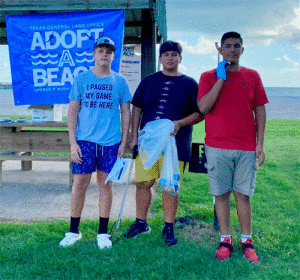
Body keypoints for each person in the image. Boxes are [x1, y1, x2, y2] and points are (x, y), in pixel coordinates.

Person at [122, 41, 203, 246]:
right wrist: (134, 137)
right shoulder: (149, 81)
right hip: (148, 145)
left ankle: (169, 227)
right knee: (143, 183)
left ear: (180, 58)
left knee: (170, 186)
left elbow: (200, 113)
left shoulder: (191, 84)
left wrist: (179, 123)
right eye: (165, 54)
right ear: (160, 58)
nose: (170, 58)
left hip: (176, 146)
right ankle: (141, 223)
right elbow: (137, 108)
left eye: (174, 54)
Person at [197, 32, 268, 263]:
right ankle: (225, 239)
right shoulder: (208, 76)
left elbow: (259, 110)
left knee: (243, 195)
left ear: (243, 50)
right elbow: (204, 107)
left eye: (237, 46)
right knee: (221, 194)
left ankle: (247, 241)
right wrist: (221, 78)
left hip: (246, 146)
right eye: (228, 46)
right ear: (220, 49)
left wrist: (260, 143)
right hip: (217, 145)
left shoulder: (252, 76)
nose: (232, 50)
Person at [59, 37, 131, 249]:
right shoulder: (82, 79)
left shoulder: (120, 81)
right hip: (85, 141)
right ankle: (73, 231)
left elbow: (126, 112)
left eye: (108, 51)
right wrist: (73, 143)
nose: (104, 54)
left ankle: (102, 233)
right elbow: (72, 112)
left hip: (110, 143)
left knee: (105, 185)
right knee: (79, 184)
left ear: (113, 55)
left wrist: (124, 142)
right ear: (94, 54)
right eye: (101, 50)